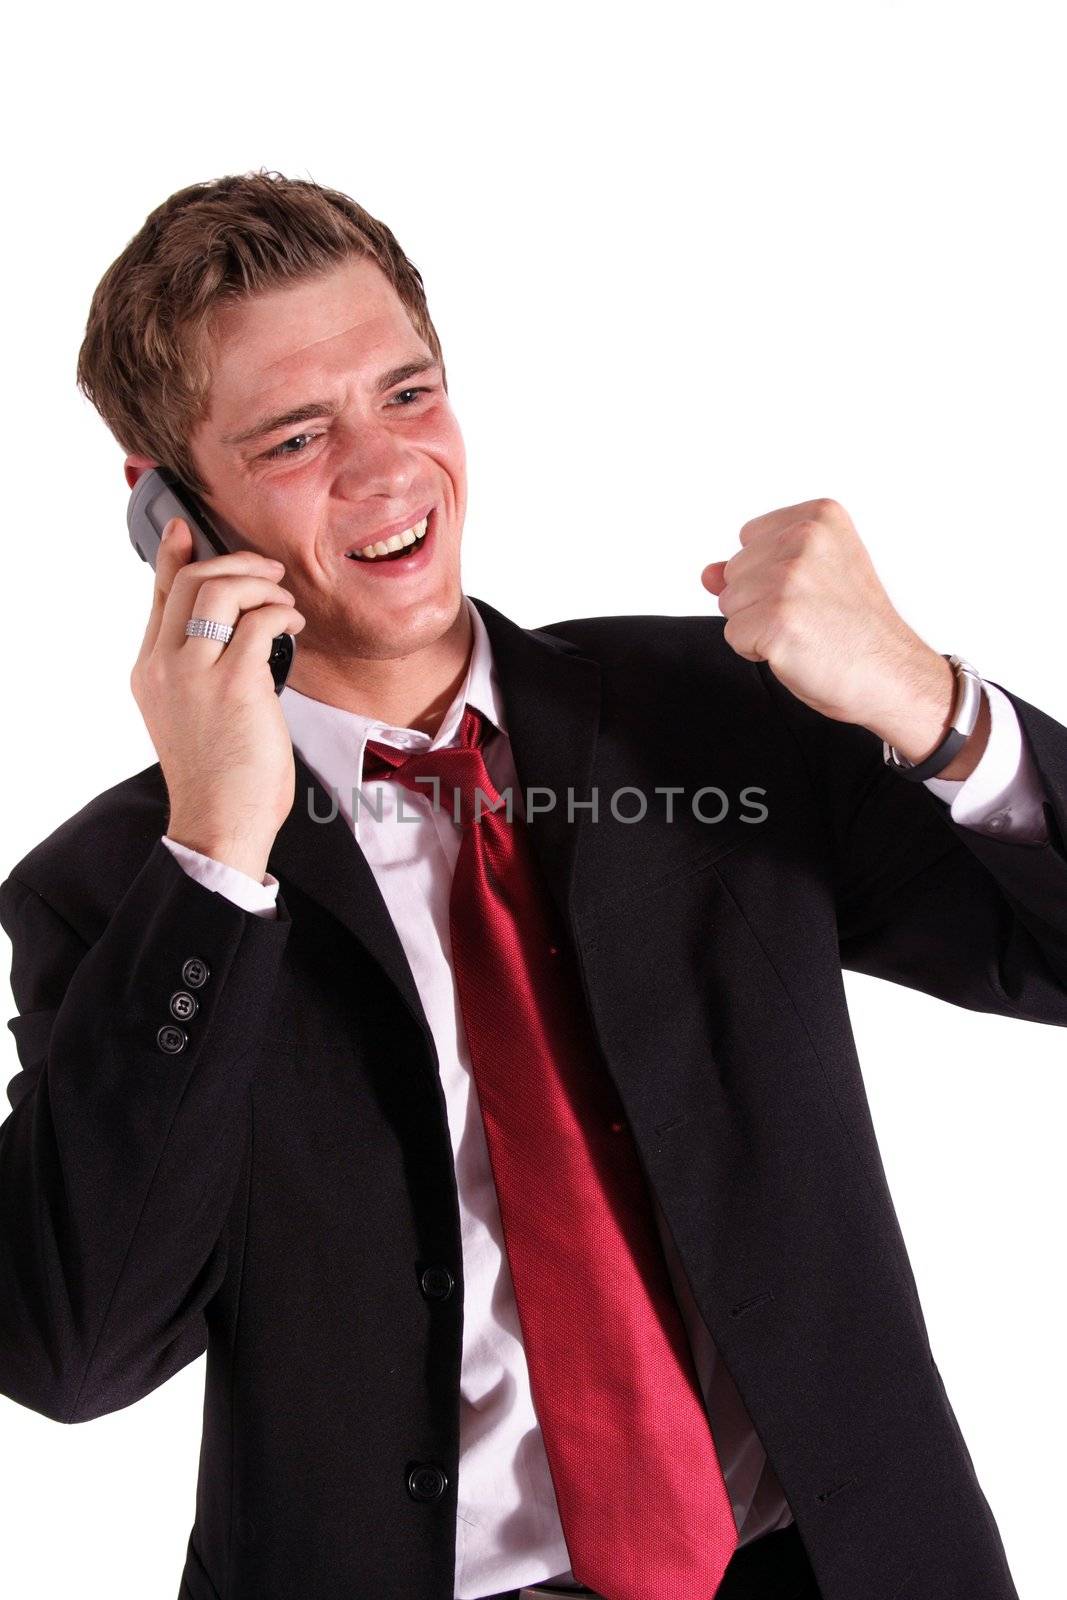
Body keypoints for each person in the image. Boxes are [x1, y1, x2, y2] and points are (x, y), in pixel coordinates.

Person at [1, 172, 1063, 1600]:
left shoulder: (712, 719)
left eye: (408, 393)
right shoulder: (123, 894)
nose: (385, 471)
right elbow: (73, 1355)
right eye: (298, 436)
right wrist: (216, 851)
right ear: (168, 510)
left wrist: (932, 706)